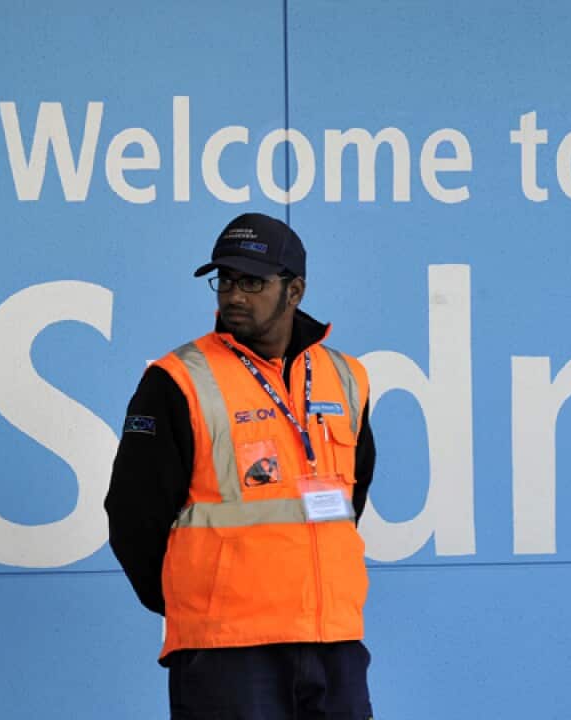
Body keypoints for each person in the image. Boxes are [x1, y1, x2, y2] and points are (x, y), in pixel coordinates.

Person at [105, 212, 377, 720]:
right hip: (226, 651)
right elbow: (132, 514)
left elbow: (351, 499)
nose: (233, 295)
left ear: (294, 290)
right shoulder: (178, 379)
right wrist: (193, 603)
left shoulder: (348, 376)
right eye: (224, 281)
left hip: (332, 640)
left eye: (251, 282)